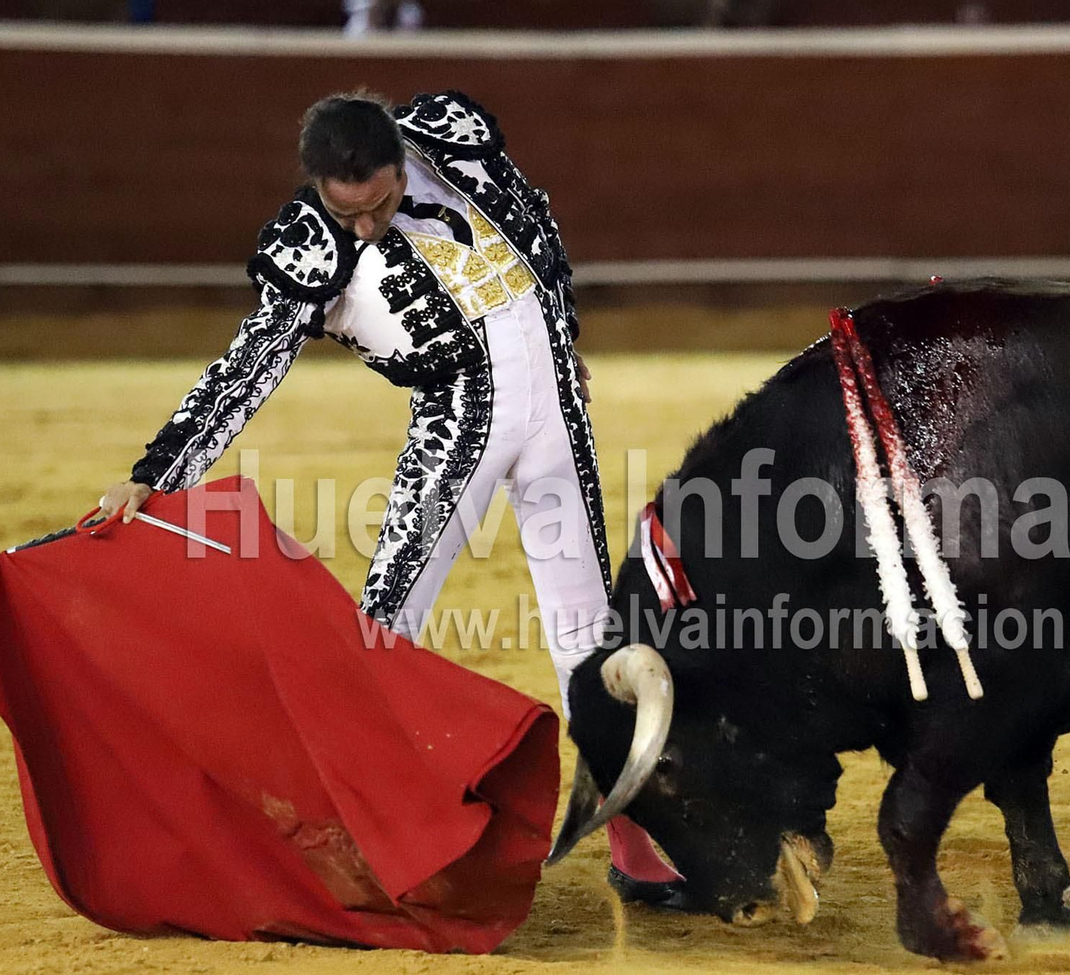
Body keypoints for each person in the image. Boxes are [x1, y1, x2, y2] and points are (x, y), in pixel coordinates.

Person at [97, 91, 684, 906]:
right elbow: (248, 366)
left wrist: (560, 336)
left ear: (401, 162)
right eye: (351, 213)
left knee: (590, 633)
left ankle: (632, 834)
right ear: (318, 190)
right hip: (457, 432)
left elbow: (534, 226)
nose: (368, 225)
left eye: (382, 203)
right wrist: (158, 471)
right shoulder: (309, 245)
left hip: (556, 416)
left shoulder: (452, 137)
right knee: (385, 631)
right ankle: (357, 832)